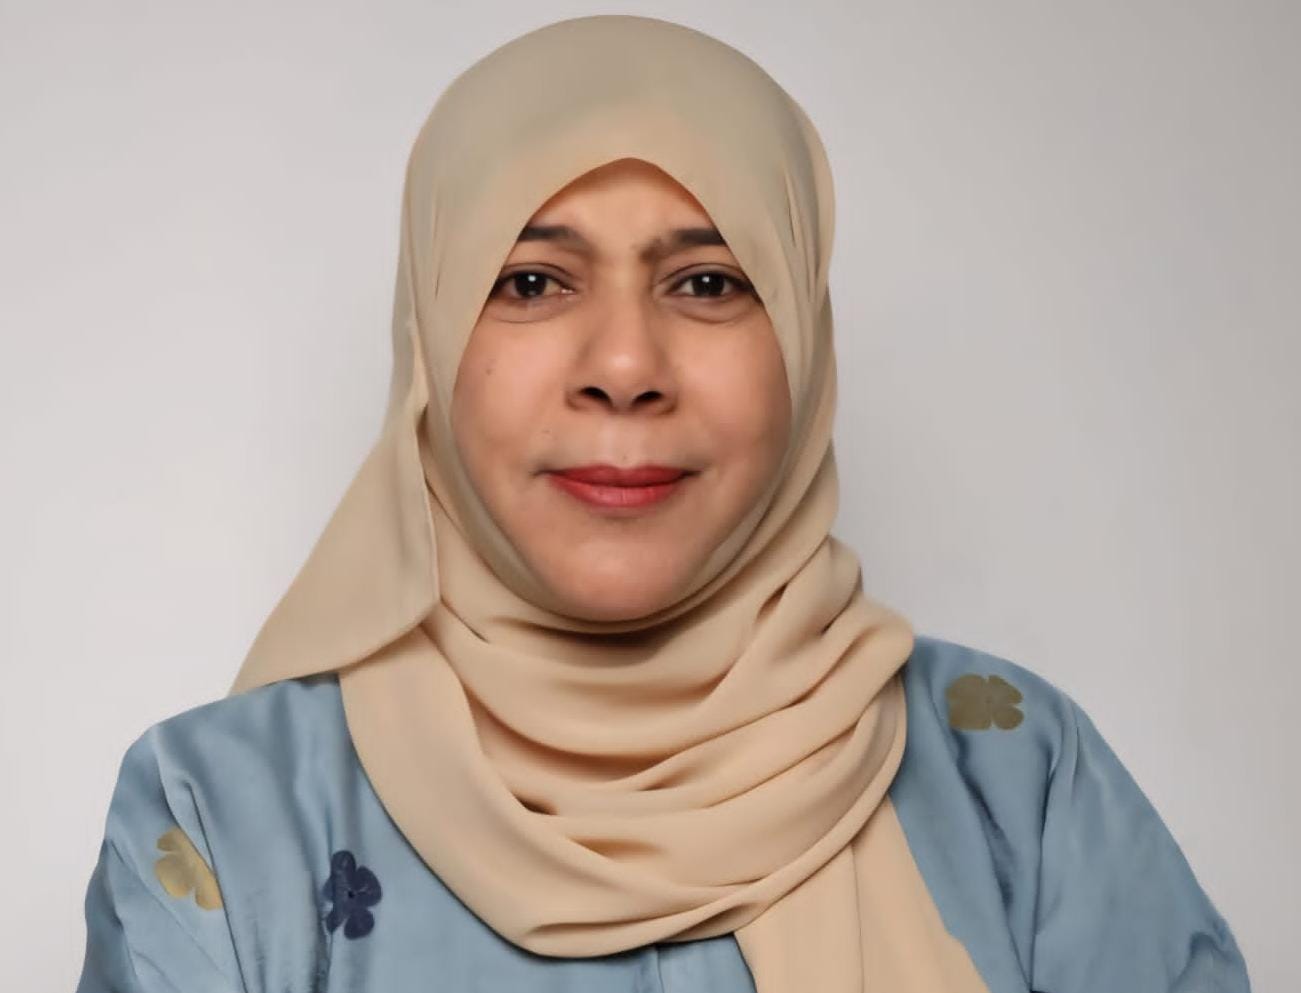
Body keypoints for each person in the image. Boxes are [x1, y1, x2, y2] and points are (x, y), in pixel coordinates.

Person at [75, 14, 1251, 993]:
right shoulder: (222, 818)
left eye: (706, 281)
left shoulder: (1010, 779)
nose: (625, 366)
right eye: (531, 280)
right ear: (430, 336)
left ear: (802, 341)